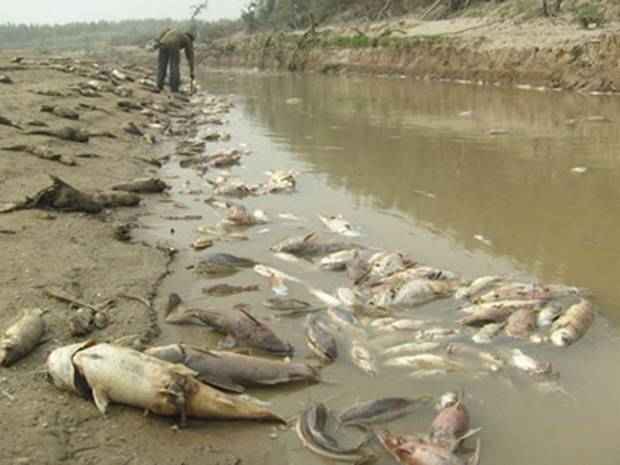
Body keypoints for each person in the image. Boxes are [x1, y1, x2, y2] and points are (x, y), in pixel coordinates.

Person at [154, 28, 195, 92]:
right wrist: (192, 71)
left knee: (161, 65)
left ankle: (159, 86)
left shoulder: (174, 30)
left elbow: (164, 32)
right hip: (173, 45)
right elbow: (190, 57)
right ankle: (174, 89)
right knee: (174, 66)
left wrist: (157, 42)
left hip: (162, 43)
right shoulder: (187, 40)